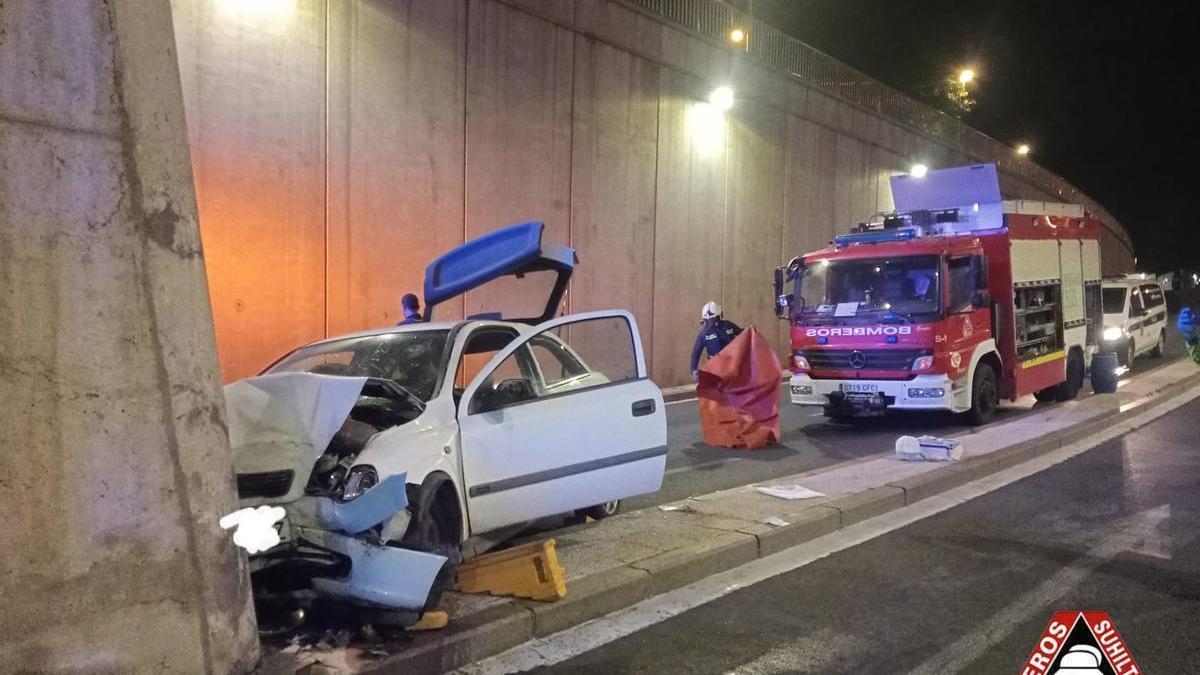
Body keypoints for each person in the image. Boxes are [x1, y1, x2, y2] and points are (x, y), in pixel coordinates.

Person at [690, 301, 742, 381]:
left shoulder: (728, 325)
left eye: (712, 318)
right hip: (715, 368)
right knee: (717, 390)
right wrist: (693, 370)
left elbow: (742, 333)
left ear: (717, 317)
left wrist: (751, 330)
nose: (710, 321)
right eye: (707, 320)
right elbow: (696, 352)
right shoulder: (704, 333)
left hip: (732, 365)